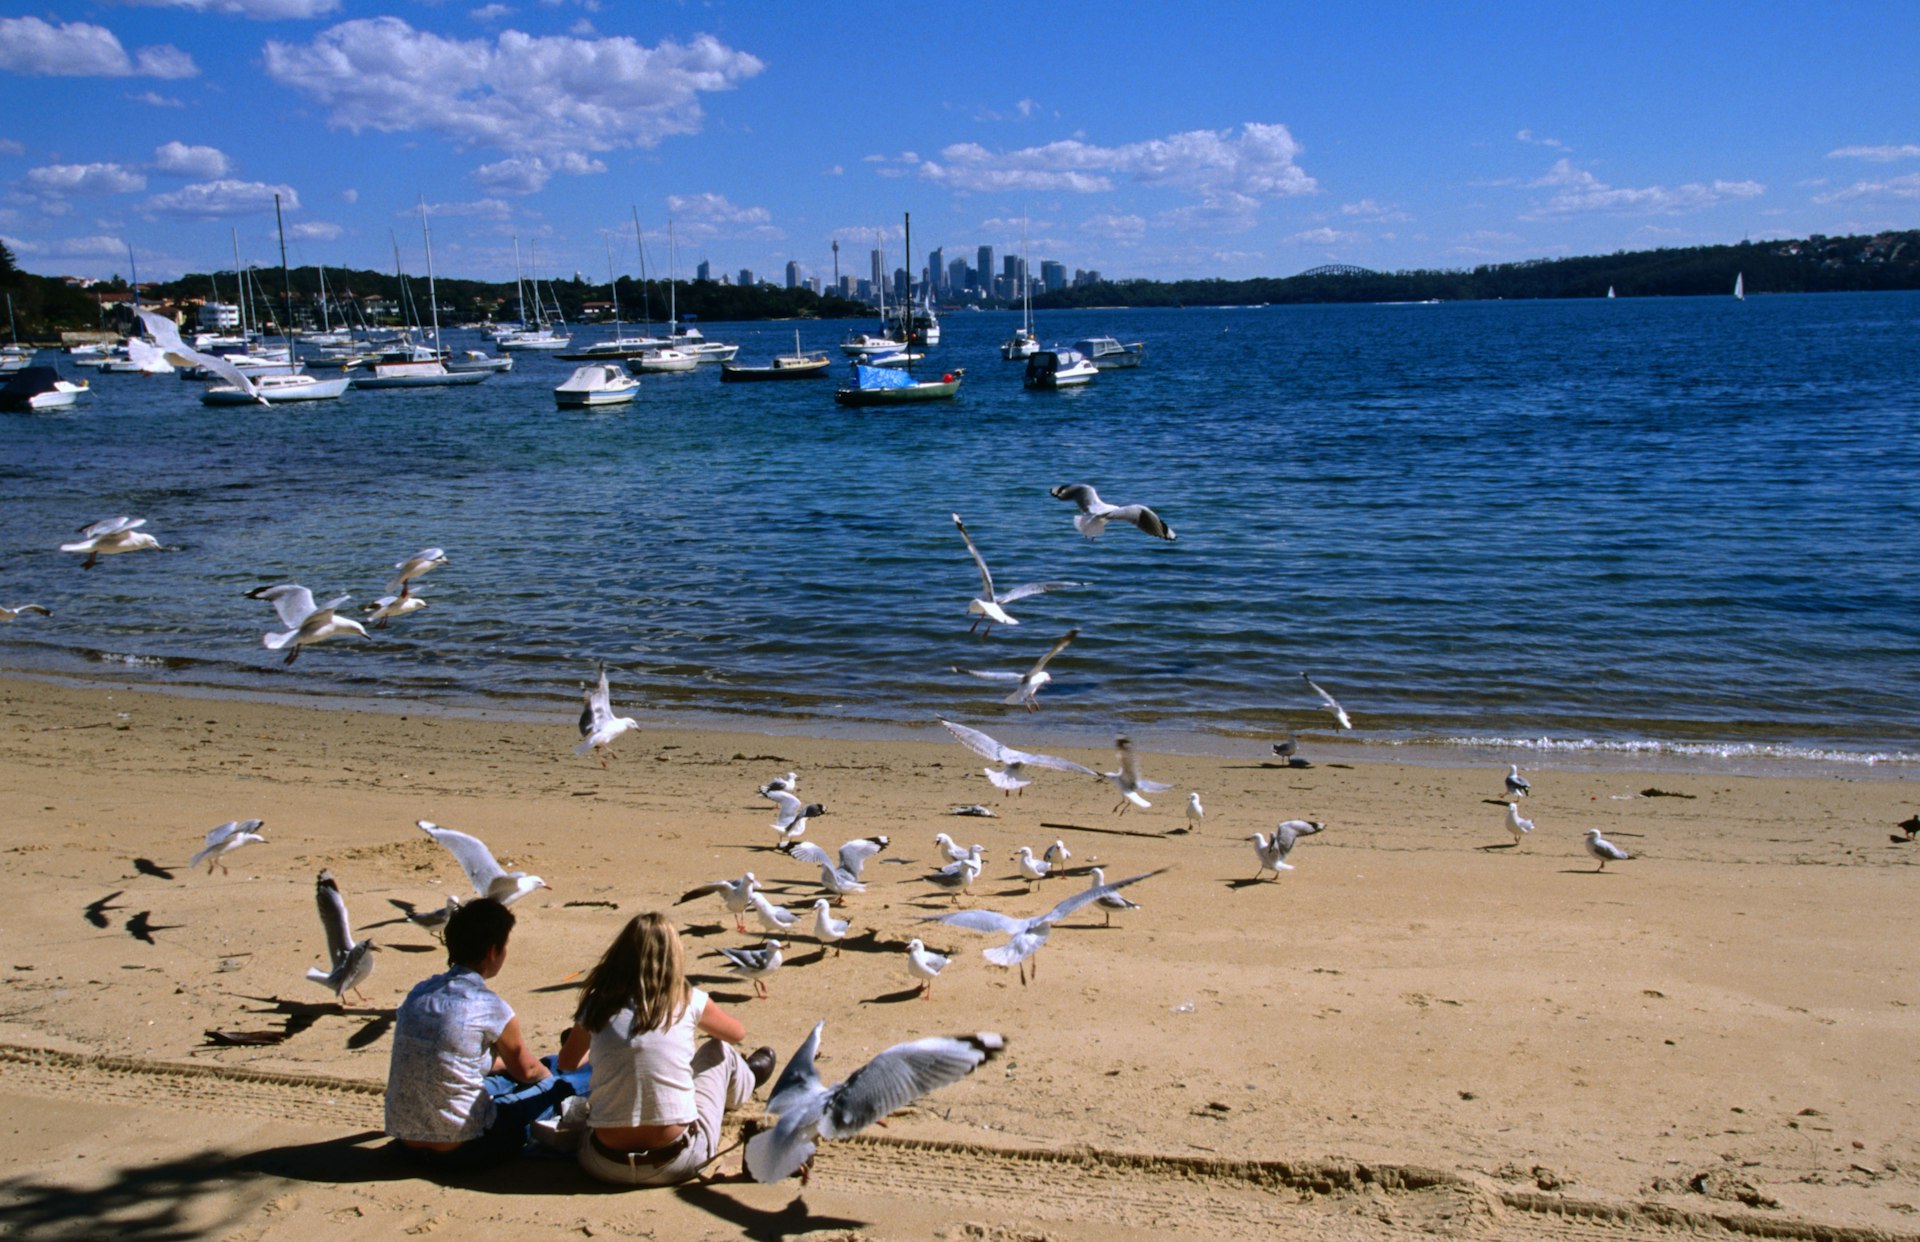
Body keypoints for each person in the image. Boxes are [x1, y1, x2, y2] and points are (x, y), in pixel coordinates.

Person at [557, 911, 774, 1186]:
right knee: (719, 1050)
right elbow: (736, 1033)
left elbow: (566, 1063)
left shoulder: (597, 1003)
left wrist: (603, 1045)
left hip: (604, 1164)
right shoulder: (686, 998)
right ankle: (746, 1080)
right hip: (676, 1161)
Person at [384, 897, 585, 1167]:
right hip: (465, 1149)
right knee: (564, 1080)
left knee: (507, 1076)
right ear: (493, 951)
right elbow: (529, 1072)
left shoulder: (418, 992)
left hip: (405, 1144)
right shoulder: (489, 1006)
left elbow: (452, 1058)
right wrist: (550, 1081)